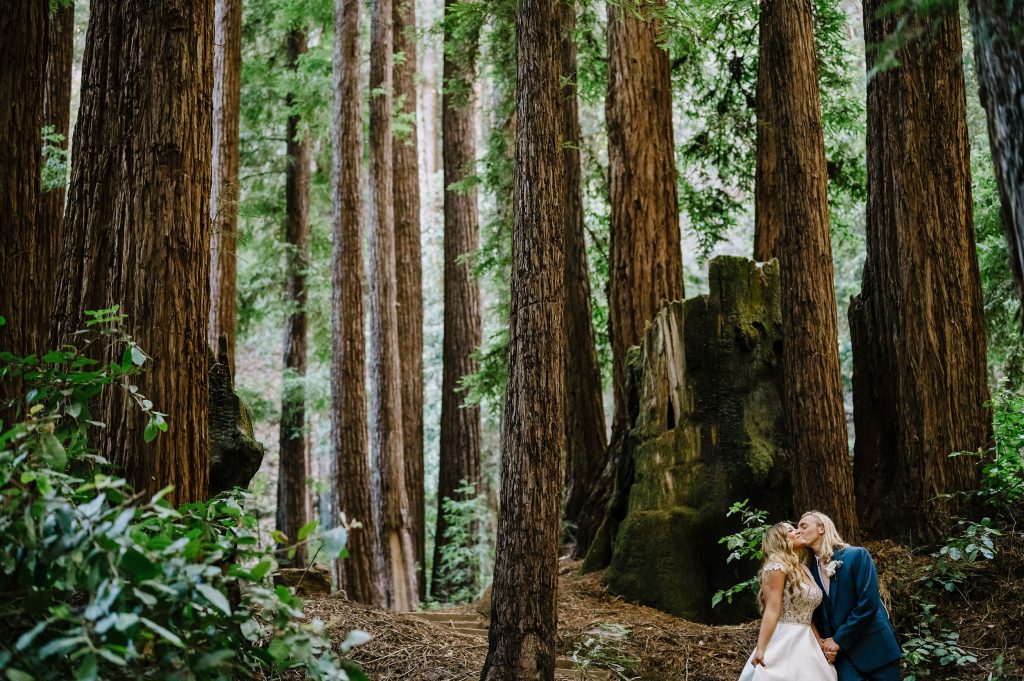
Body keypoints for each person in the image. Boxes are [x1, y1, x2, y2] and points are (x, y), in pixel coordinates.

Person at [796, 511, 902, 681]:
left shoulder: (857, 555)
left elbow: (868, 604)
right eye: (797, 527)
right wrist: (825, 646)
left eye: (804, 526)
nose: (798, 530)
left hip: (876, 648)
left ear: (821, 528)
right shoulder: (808, 571)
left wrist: (838, 639)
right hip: (843, 659)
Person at [739, 522, 838, 681]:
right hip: (785, 641)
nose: (798, 531)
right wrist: (761, 648)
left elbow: (807, 614)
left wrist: (819, 643)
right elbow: (772, 609)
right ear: (780, 540)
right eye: (791, 530)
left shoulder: (804, 569)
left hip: (808, 641)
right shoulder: (776, 567)